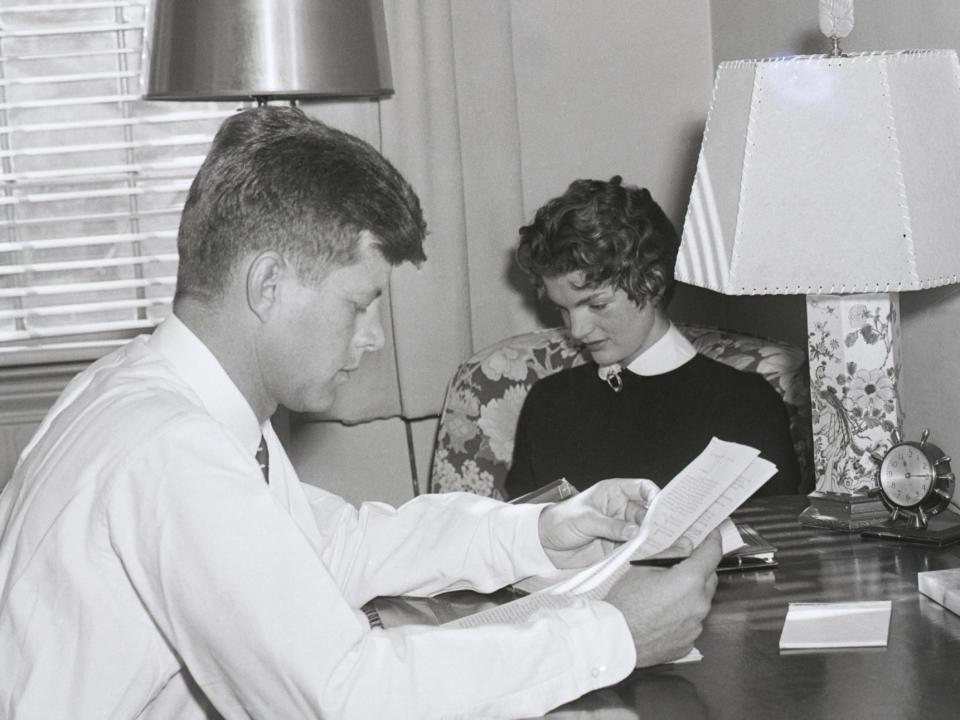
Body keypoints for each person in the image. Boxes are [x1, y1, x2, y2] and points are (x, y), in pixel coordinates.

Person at [0, 108, 721, 719]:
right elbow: (345, 699)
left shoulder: (148, 388)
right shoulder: (168, 449)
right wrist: (612, 633)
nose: (373, 338)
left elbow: (333, 546)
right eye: (359, 303)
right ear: (268, 284)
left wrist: (538, 533)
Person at [505, 175, 800, 500]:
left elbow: (775, 540)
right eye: (564, 309)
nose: (577, 331)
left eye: (597, 304)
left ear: (653, 282)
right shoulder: (548, 402)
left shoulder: (743, 405)